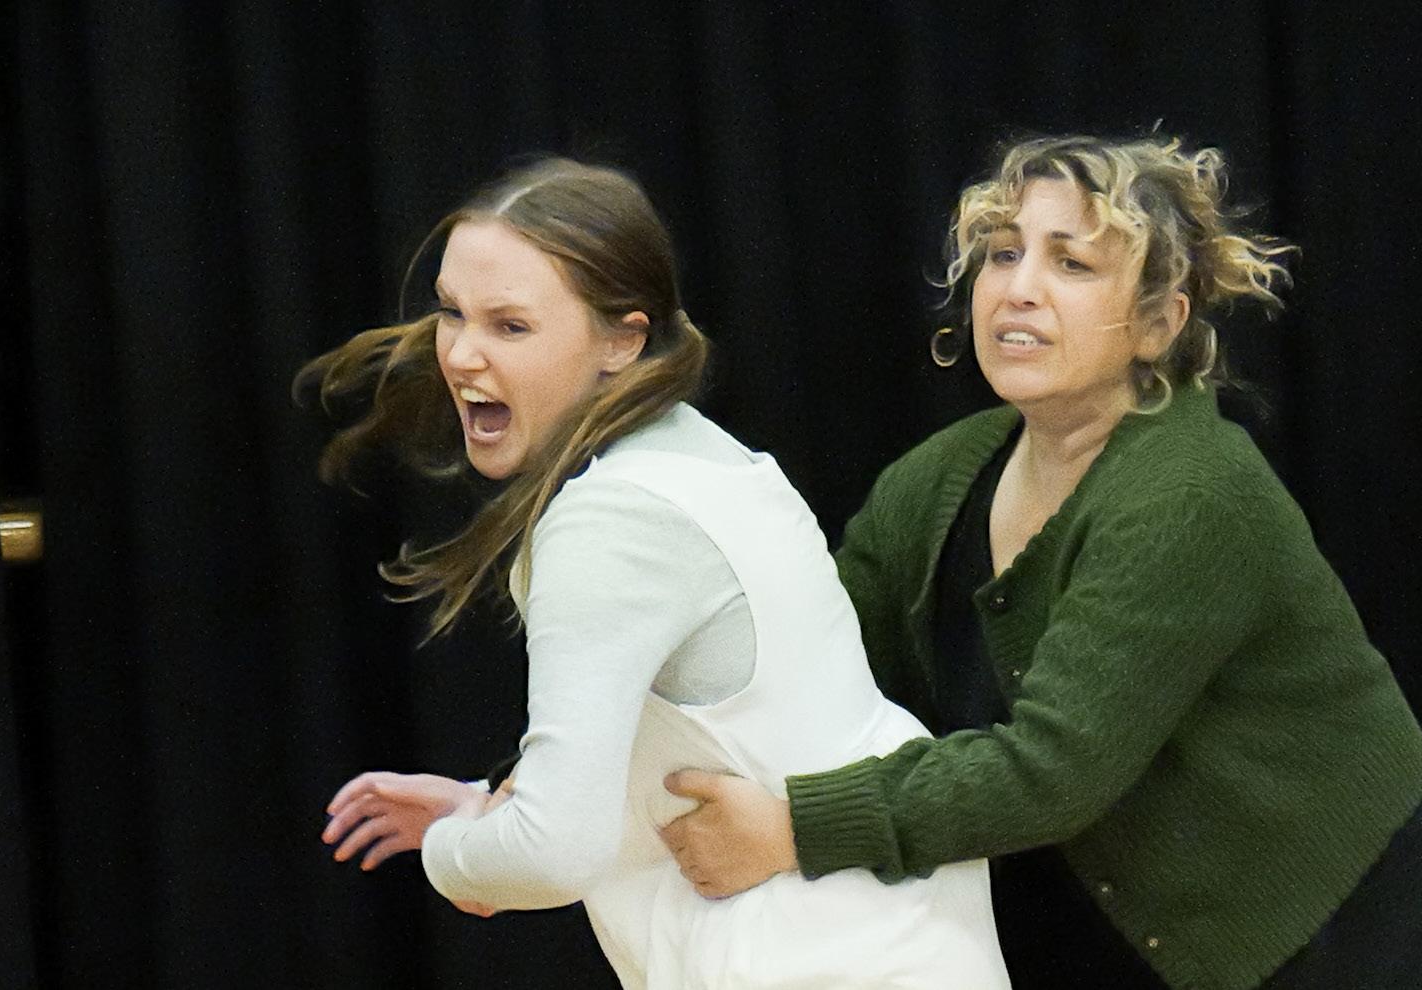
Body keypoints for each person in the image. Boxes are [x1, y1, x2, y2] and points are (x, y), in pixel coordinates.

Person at [660, 134, 1422, 989]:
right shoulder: (936, 479)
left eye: (1071, 264)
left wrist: (791, 830)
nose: (1018, 288)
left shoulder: (1189, 495)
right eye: (1002, 254)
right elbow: (801, 664)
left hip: (1350, 922)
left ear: (1156, 325)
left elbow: (1051, 773)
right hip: (1135, 934)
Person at [300, 158, 1008, 989]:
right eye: (452, 312)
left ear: (623, 339)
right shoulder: (706, 457)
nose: (460, 355)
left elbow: (554, 852)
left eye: (510, 326)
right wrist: (487, 805)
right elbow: (719, 734)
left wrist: (458, 854)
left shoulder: (612, 518)